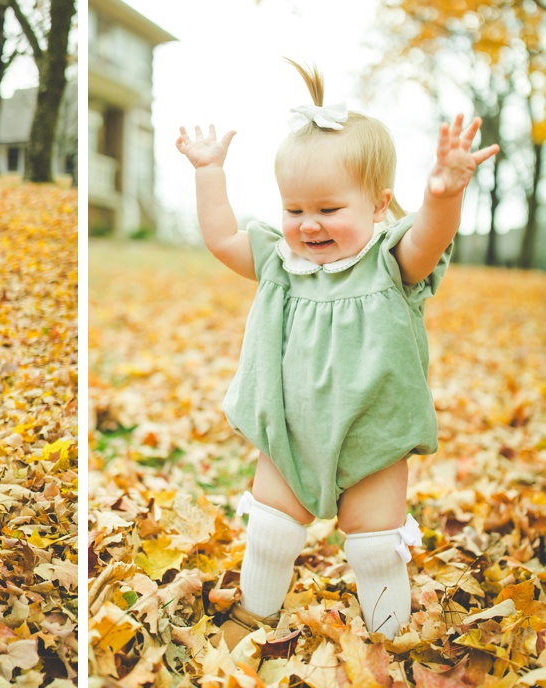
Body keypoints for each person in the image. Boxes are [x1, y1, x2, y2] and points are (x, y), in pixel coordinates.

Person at [175, 61, 498, 641]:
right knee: (271, 529)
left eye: (328, 209)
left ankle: (392, 637)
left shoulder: (390, 262)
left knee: (374, 543)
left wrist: (442, 195)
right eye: (294, 209)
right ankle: (255, 618)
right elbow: (223, 239)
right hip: (289, 425)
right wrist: (208, 173)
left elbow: (429, 237)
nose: (308, 225)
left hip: (373, 429)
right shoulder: (280, 262)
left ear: (378, 206)